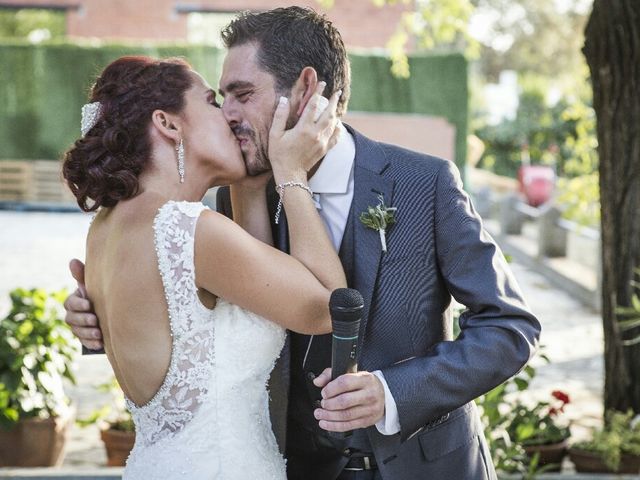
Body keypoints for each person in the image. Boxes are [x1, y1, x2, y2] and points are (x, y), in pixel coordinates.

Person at [65, 7, 541, 480]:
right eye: (219, 99)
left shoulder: (425, 183)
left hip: (429, 468)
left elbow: (509, 326)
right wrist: (102, 316)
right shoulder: (232, 203)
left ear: (306, 89)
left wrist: (393, 392)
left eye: (242, 95)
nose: (229, 115)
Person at [62, 55, 346, 479]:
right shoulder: (188, 229)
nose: (230, 117)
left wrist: (247, 185)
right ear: (169, 124)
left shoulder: (106, 227)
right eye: (212, 102)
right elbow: (328, 308)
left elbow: (253, 299)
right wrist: (291, 172)